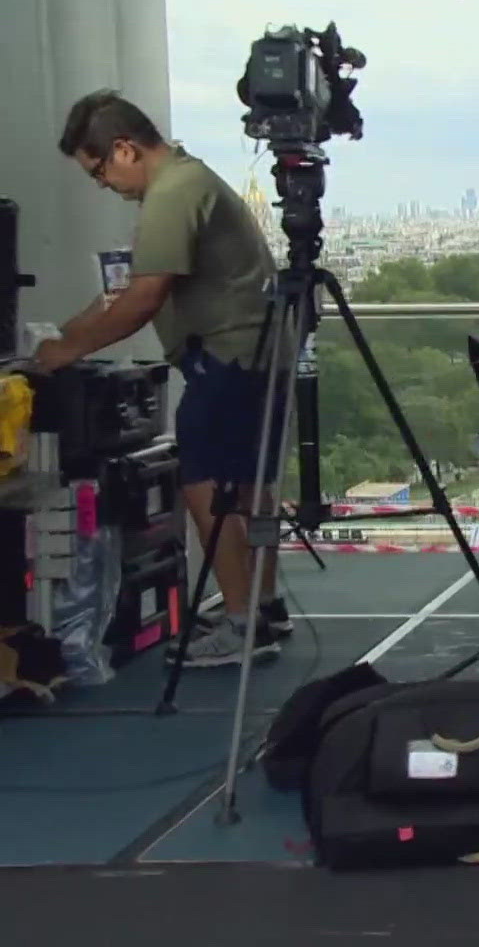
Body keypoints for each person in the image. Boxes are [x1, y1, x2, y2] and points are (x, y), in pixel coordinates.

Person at [36, 90, 288, 667]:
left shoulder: (172, 194)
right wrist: (59, 337)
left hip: (227, 355)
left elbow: (144, 298)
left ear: (123, 149)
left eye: (99, 170)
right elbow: (125, 291)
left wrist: (64, 352)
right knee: (250, 486)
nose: (104, 184)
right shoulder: (188, 182)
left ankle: (242, 623)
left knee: (208, 485)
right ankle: (263, 605)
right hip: (253, 352)